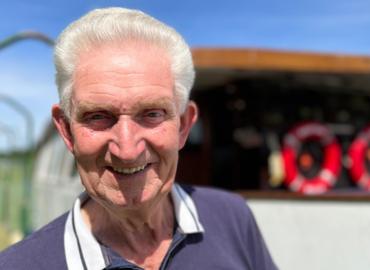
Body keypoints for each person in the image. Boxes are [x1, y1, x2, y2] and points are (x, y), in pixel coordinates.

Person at [0, 7, 276, 269]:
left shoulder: (233, 219)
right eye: (98, 116)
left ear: (183, 126)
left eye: (152, 114)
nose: (128, 150)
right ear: (67, 131)